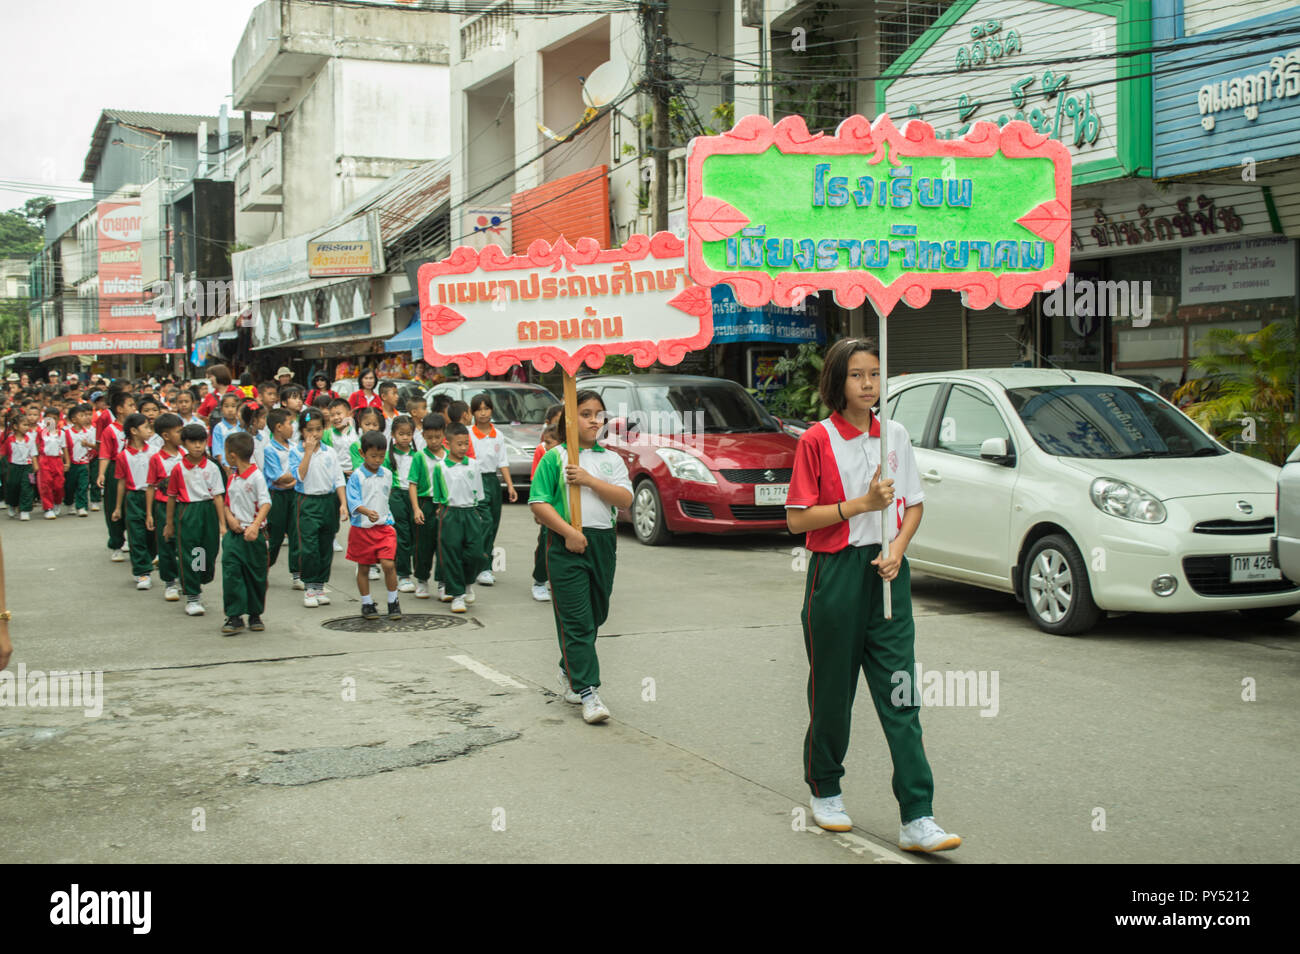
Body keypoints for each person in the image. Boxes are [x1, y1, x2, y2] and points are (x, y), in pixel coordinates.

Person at [784, 337, 958, 852]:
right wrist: (859, 504)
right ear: (838, 382)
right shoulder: (816, 440)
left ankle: (918, 815)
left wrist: (899, 548)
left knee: (901, 694)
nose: (868, 385)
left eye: (875, 374)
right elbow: (797, 520)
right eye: (857, 376)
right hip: (836, 573)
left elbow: (914, 506)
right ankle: (826, 788)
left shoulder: (895, 435)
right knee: (833, 692)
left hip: (887, 574)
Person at [528, 390, 633, 725]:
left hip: (602, 544)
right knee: (577, 621)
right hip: (565, 544)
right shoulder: (554, 457)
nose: (593, 420)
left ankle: (569, 668)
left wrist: (589, 480)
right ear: (569, 419)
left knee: (595, 616)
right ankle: (588, 692)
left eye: (598, 414)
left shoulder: (611, 459)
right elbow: (538, 503)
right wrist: (569, 533)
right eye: (585, 414)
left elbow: (625, 499)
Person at [165, 423, 227, 617]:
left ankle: (199, 576)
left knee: (207, 552)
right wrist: (169, 523)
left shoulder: (212, 467)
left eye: (201, 441)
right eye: (192, 442)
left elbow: (218, 496)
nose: (197, 446)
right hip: (188, 510)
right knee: (190, 552)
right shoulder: (178, 469)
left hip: (208, 510)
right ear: (184, 443)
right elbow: (172, 497)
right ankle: (193, 596)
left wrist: (222, 524)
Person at [290, 408, 347, 609]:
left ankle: (320, 585)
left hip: (328, 501)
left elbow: (338, 478)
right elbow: (299, 476)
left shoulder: (329, 452)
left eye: (318, 429)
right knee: (309, 546)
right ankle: (309, 586)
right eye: (309, 430)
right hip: (307, 501)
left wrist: (343, 504)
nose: (314, 434)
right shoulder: (296, 451)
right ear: (302, 431)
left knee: (325, 545)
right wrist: (307, 452)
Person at [430, 421, 485, 614]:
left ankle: (468, 581)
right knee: (451, 554)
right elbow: (438, 495)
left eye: (466, 444)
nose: (463, 448)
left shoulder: (474, 465)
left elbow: (479, 493)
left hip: (470, 512)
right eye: (459, 444)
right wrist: (441, 510)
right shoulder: (440, 467)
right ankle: (457, 595)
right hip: (450, 512)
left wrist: (478, 514)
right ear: (448, 444)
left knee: (476, 553)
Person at [220, 431, 272, 636]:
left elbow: (266, 503)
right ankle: (234, 615)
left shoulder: (256, 476)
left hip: (254, 534)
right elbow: (226, 504)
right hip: (234, 535)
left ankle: (255, 614)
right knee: (232, 573)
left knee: (256, 575)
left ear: (232, 455)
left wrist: (255, 525)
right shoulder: (232, 477)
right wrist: (230, 518)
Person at [347, 430, 402, 621]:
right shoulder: (356, 476)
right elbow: (352, 501)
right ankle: (367, 603)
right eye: (373, 456)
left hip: (384, 527)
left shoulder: (387, 474)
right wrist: (366, 511)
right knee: (363, 567)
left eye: (381, 456)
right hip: (362, 528)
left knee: (388, 564)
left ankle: (393, 601)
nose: (377, 460)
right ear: (362, 454)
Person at [469, 393, 517, 586]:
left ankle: (484, 565)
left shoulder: (498, 435)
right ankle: (481, 565)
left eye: (486, 408)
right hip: (475, 480)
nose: (483, 413)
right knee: (485, 522)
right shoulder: (468, 433)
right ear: (473, 412)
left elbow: (502, 462)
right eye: (479, 409)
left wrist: (510, 486)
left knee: (494, 523)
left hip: (492, 481)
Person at [111, 413, 158, 590]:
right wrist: (117, 507)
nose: (149, 431)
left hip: (152, 496)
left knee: (152, 535)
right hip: (134, 497)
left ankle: (150, 557)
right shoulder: (123, 456)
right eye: (145, 427)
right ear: (133, 431)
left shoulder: (153, 452)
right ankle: (142, 572)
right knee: (136, 534)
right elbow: (121, 481)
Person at [144, 413, 185, 602]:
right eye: (178, 431)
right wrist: (150, 513)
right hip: (163, 507)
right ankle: (170, 581)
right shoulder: (156, 459)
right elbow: (151, 486)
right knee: (167, 544)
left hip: (186, 506)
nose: (182, 434)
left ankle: (195, 576)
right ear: (166, 436)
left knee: (192, 544)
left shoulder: (186, 455)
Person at [261, 408, 302, 590]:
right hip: (277, 496)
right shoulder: (270, 449)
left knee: (295, 532)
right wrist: (293, 477)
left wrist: (292, 479)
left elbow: (298, 472)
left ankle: (297, 574)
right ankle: (263, 570)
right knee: (275, 535)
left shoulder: (293, 447)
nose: (293, 427)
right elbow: (278, 477)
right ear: (278, 427)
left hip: (293, 494)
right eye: (289, 423)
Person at [408, 414, 446, 600]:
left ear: (443, 434)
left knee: (443, 544)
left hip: (444, 504)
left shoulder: (449, 455)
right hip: (425, 503)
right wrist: (416, 508)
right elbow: (413, 483)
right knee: (423, 545)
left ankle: (442, 582)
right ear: (423, 436)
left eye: (437, 437)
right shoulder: (419, 456)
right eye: (429, 437)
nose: (433, 441)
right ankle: (422, 580)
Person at [529, 404, 563, 602]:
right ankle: (539, 581)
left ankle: (555, 580)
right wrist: (538, 509)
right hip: (548, 507)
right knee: (545, 544)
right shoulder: (543, 451)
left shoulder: (570, 452)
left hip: (564, 507)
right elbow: (536, 480)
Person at [384, 416, 420, 593]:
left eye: (409, 434)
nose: (405, 437)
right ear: (393, 435)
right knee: (403, 535)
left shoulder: (417, 455)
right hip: (396, 495)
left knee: (415, 536)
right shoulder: (388, 456)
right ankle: (403, 575)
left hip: (414, 495)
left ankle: (418, 574)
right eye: (401, 434)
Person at [97, 390, 134, 554]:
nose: (135, 408)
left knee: (132, 506)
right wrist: (101, 473)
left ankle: (133, 539)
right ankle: (116, 543)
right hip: (115, 469)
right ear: (119, 409)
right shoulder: (110, 430)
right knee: (113, 506)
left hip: (134, 469)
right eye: (131, 405)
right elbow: (104, 454)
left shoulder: (137, 428)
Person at [63, 402, 96, 517]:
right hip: (72, 463)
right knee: (70, 486)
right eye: (81, 416)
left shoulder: (89, 432)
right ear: (73, 419)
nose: (85, 418)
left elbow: (96, 446)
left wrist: (88, 444)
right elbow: (64, 448)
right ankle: (69, 503)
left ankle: (82, 506)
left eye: (85, 415)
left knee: (83, 485)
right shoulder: (67, 432)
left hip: (84, 463)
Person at [5, 405, 38, 521]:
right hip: (13, 466)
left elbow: (33, 453)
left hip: (27, 467)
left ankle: (24, 510)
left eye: (28, 425)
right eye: (24, 425)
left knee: (27, 487)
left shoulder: (30, 439)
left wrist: (35, 465)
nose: (27, 427)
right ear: (15, 426)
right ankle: (12, 504)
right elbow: (4, 452)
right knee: (13, 486)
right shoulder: (9, 439)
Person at [36, 407, 68, 519]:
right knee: (46, 484)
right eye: (49, 418)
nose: (51, 421)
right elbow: (37, 447)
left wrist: (67, 462)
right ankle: (48, 507)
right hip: (45, 460)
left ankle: (57, 502)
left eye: (54, 418)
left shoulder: (61, 433)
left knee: (58, 484)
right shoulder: (41, 432)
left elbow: (64, 448)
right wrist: (36, 462)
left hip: (57, 460)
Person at [210, 392, 242, 473]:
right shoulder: (219, 427)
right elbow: (218, 451)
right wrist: (226, 467)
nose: (230, 409)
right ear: (221, 409)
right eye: (226, 406)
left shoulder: (242, 425)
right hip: (227, 467)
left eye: (233, 406)